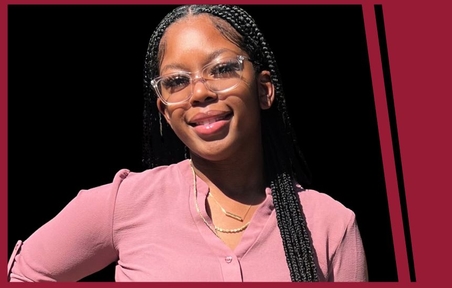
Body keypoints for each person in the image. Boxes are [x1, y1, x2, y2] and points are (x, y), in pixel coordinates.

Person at [7, 4, 368, 282]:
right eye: (177, 81)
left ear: (263, 90)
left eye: (223, 69)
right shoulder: (124, 204)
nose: (198, 92)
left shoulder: (330, 225)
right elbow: (22, 275)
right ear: (165, 111)